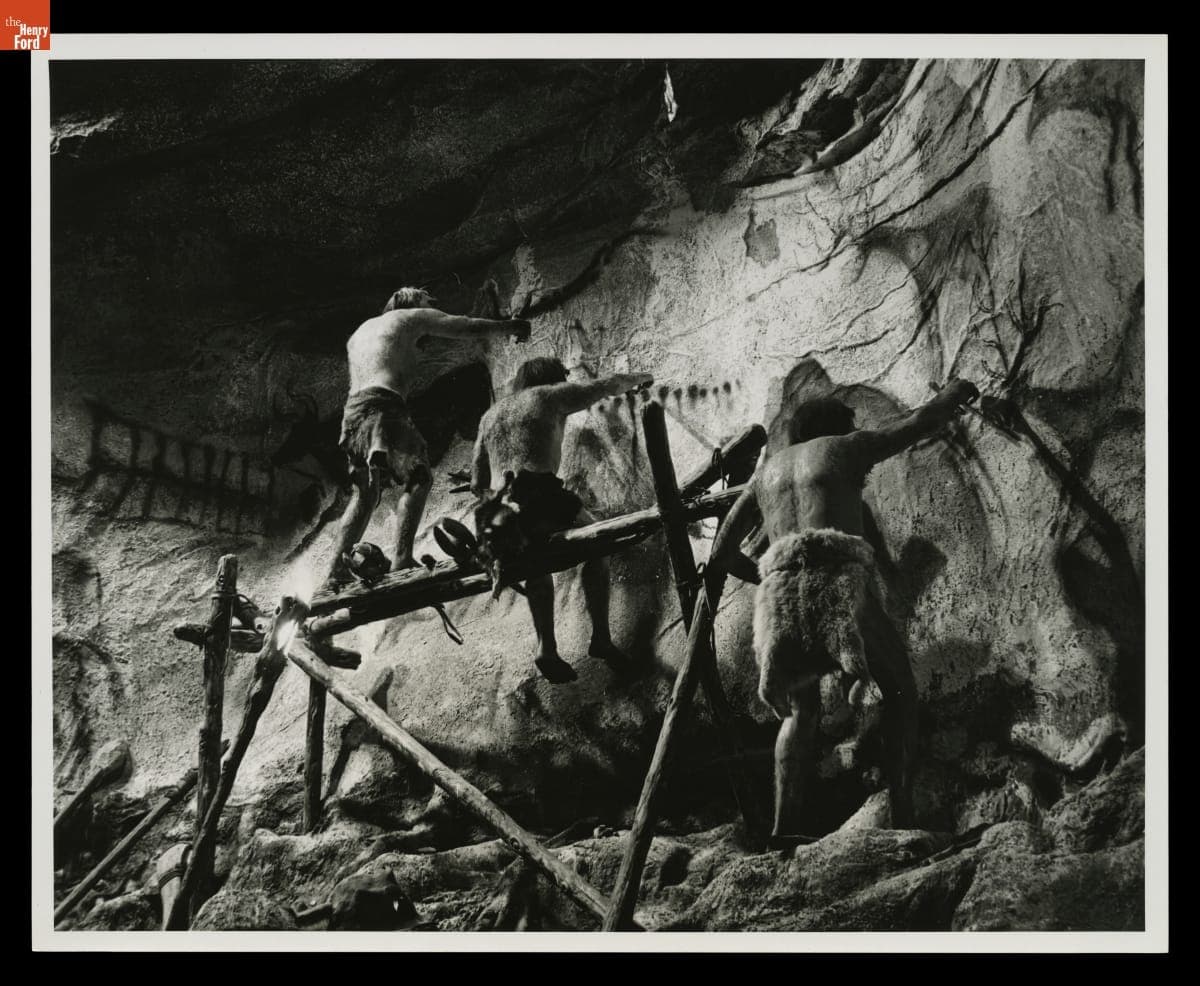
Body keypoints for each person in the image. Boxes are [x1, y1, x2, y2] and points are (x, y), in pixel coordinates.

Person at [707, 379, 980, 842]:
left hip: (779, 596)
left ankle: (782, 830)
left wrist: (773, 576)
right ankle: (903, 819)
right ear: (837, 427)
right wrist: (956, 393)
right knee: (899, 693)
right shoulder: (846, 447)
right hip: (838, 583)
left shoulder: (766, 474)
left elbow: (720, 555)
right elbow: (917, 423)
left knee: (799, 711)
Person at [326, 287, 531, 587]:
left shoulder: (361, 332)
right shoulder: (411, 315)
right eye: (428, 301)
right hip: (384, 406)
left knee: (364, 494)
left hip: (354, 412)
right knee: (419, 477)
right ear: (412, 301)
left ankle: (334, 572)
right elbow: (466, 326)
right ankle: (402, 557)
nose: (433, 305)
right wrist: (511, 326)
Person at [470, 357, 654, 683]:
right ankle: (600, 637)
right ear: (554, 380)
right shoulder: (547, 397)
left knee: (535, 562)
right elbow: (605, 386)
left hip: (494, 513)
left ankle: (547, 647)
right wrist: (642, 377)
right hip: (535, 491)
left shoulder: (488, 417)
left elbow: (476, 483)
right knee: (600, 541)